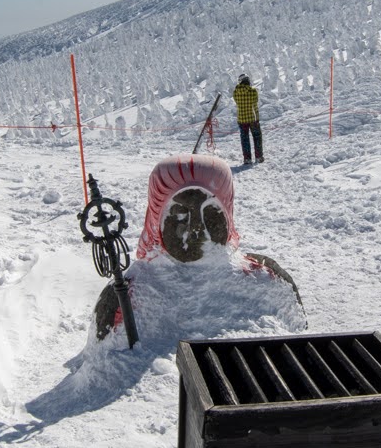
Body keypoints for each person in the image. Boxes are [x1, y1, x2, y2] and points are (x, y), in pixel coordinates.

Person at [93, 154, 301, 340]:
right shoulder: (127, 297)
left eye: (211, 213)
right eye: (181, 215)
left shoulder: (266, 280)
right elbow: (107, 370)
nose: (196, 229)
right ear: (157, 219)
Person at [233, 74, 264, 164]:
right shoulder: (253, 91)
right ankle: (259, 157)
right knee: (257, 137)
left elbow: (236, 101)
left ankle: (247, 159)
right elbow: (255, 103)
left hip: (242, 119)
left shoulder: (235, 92)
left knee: (245, 139)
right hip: (253, 118)